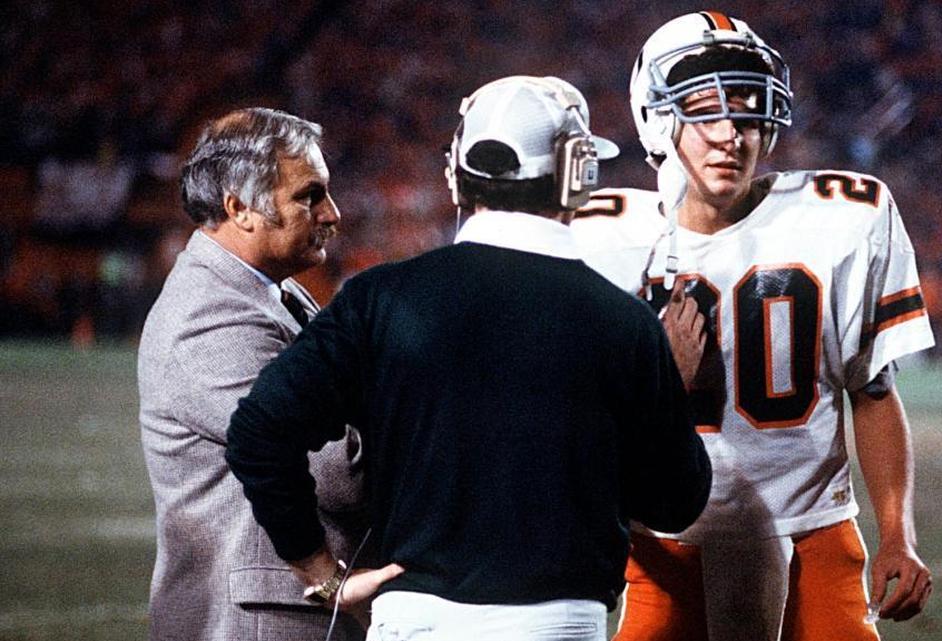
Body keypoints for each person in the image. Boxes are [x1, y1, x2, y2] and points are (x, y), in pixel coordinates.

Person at [225, 75, 712, 641]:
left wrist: (320, 573)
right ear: (579, 175)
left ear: (457, 173)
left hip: (414, 619)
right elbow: (676, 504)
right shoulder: (624, 325)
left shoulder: (379, 299)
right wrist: (667, 392)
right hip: (556, 622)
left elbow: (258, 433)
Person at [571, 11, 935, 641]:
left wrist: (898, 535)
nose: (729, 135)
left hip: (815, 533)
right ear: (658, 119)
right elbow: (572, 424)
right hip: (667, 540)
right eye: (704, 111)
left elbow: (873, 393)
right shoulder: (598, 237)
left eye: (746, 111)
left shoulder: (845, 215)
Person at [138, 107, 374, 641]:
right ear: (240, 207)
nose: (332, 213)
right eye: (309, 196)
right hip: (256, 620)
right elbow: (337, 473)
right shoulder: (208, 317)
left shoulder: (271, 290)